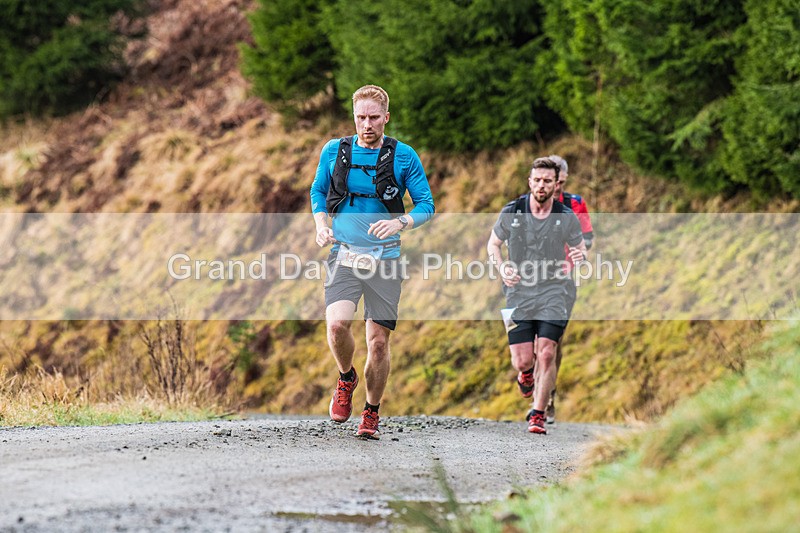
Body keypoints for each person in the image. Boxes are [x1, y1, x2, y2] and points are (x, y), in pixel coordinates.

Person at [309, 84, 434, 440]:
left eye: (374, 118)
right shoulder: (334, 151)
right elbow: (318, 190)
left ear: (386, 118)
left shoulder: (404, 156)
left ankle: (371, 412)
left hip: (387, 259)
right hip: (343, 254)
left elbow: (426, 204)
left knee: (378, 342)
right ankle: (346, 378)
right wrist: (321, 224)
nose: (367, 124)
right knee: (336, 326)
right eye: (361, 117)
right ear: (353, 117)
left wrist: (401, 221)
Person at [486, 157, 586, 434]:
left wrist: (578, 257)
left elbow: (581, 249)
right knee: (523, 359)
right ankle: (525, 374)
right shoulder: (513, 211)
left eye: (548, 181)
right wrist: (501, 265)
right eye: (537, 180)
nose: (542, 185)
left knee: (547, 352)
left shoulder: (565, 216)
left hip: (555, 290)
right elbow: (493, 244)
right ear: (530, 182)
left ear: (556, 185)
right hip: (518, 291)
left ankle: (538, 414)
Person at [540, 154, 595, 424]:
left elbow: (588, 239)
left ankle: (547, 396)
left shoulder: (575, 204)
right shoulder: (531, 202)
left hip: (563, 279)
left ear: (563, 178)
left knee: (554, 340)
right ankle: (535, 381)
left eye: (557, 181)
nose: (553, 187)